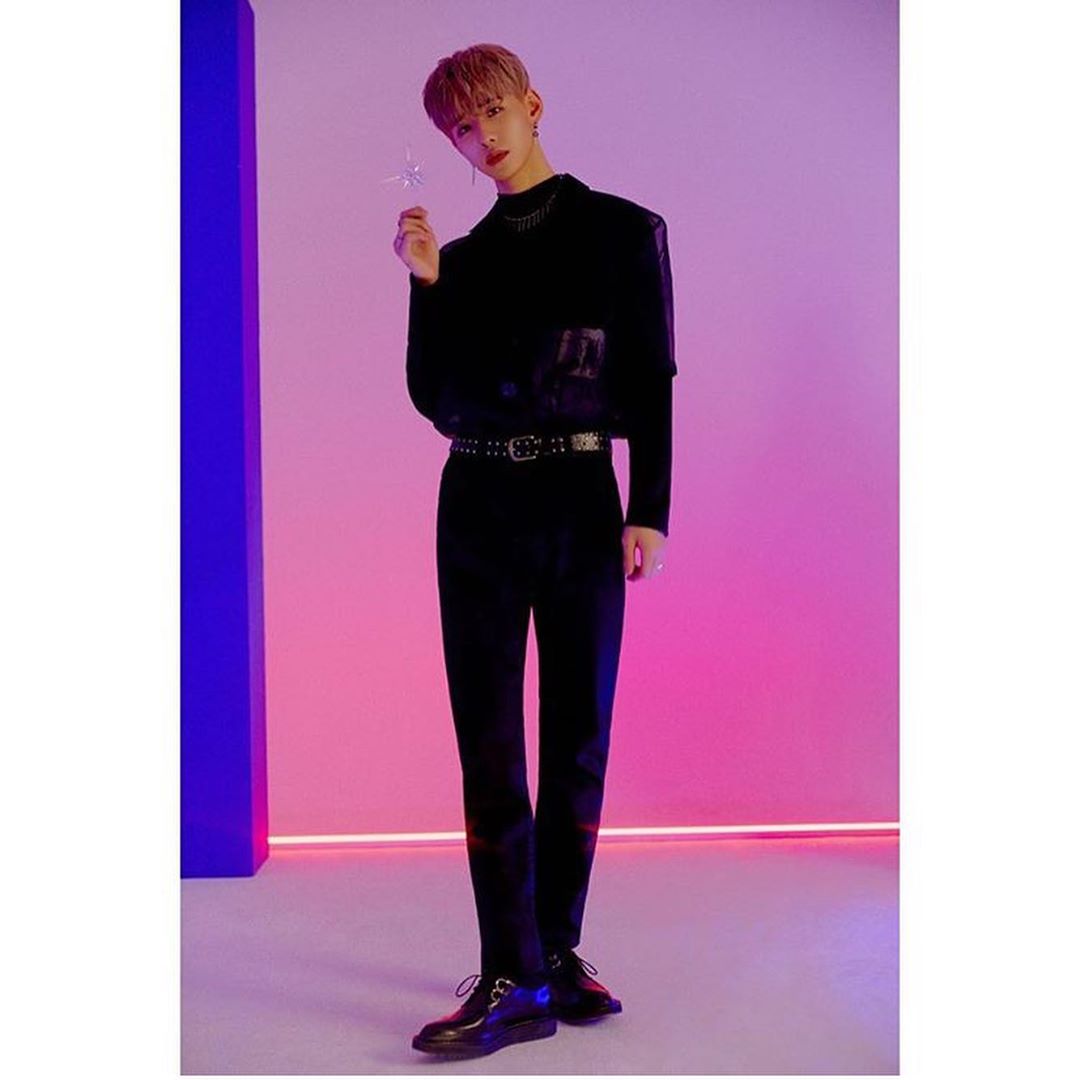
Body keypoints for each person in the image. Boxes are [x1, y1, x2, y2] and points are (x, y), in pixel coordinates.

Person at [392, 42, 676, 1058]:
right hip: (476, 504)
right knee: (490, 743)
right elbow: (435, 399)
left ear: (532, 103)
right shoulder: (461, 261)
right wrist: (427, 286)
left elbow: (651, 377)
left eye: (494, 111)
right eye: (462, 127)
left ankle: (553, 951)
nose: (483, 137)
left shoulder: (623, 231)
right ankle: (511, 972)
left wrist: (649, 509)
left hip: (579, 501)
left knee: (579, 736)